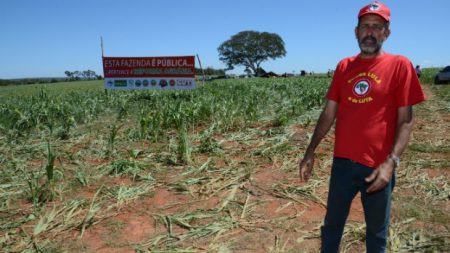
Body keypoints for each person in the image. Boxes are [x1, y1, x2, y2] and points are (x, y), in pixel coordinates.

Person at [298, 2, 425, 252]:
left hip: (377, 166)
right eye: (365, 26)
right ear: (356, 31)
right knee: (332, 226)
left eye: (377, 27)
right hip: (342, 165)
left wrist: (391, 163)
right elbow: (329, 112)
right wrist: (310, 150)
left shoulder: (400, 65)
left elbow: (406, 121)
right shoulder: (344, 66)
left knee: (376, 234)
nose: (370, 32)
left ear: (386, 33)